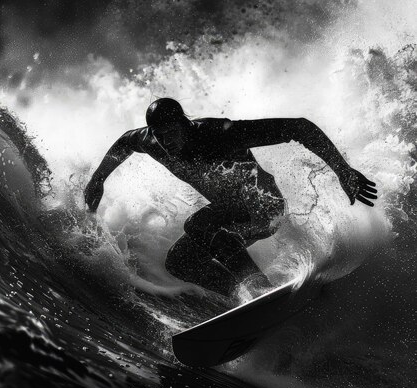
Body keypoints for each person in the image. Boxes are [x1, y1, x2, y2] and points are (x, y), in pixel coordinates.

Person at [84, 98, 377, 296]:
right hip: (228, 213)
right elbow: (124, 142)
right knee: (180, 262)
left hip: (264, 206)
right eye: (160, 135)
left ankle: (257, 288)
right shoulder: (150, 141)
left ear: (184, 124)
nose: (167, 141)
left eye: (172, 132)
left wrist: (343, 171)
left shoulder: (218, 133)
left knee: (200, 223)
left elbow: (298, 127)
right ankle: (247, 295)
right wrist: (98, 178)